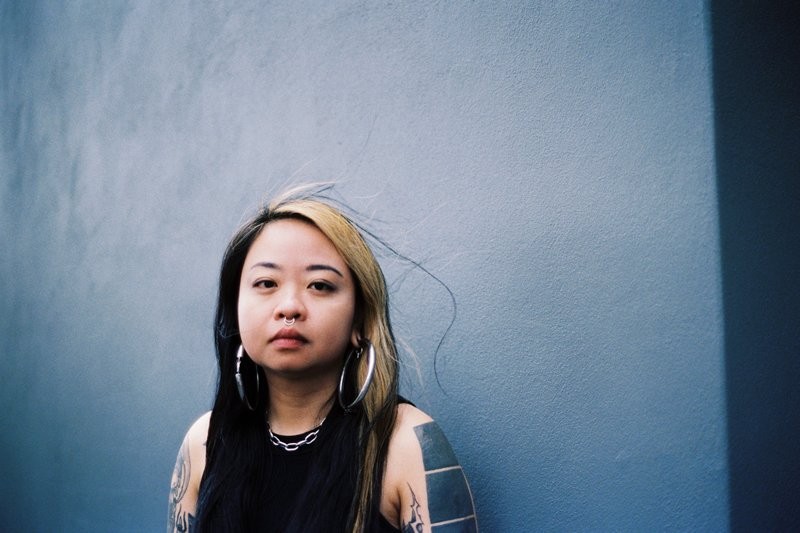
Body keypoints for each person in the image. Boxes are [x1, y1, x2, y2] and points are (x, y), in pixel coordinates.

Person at [167, 189, 477, 532]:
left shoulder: (406, 443)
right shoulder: (204, 443)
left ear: (359, 321)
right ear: (236, 310)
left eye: (319, 285)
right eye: (266, 282)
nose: (289, 307)